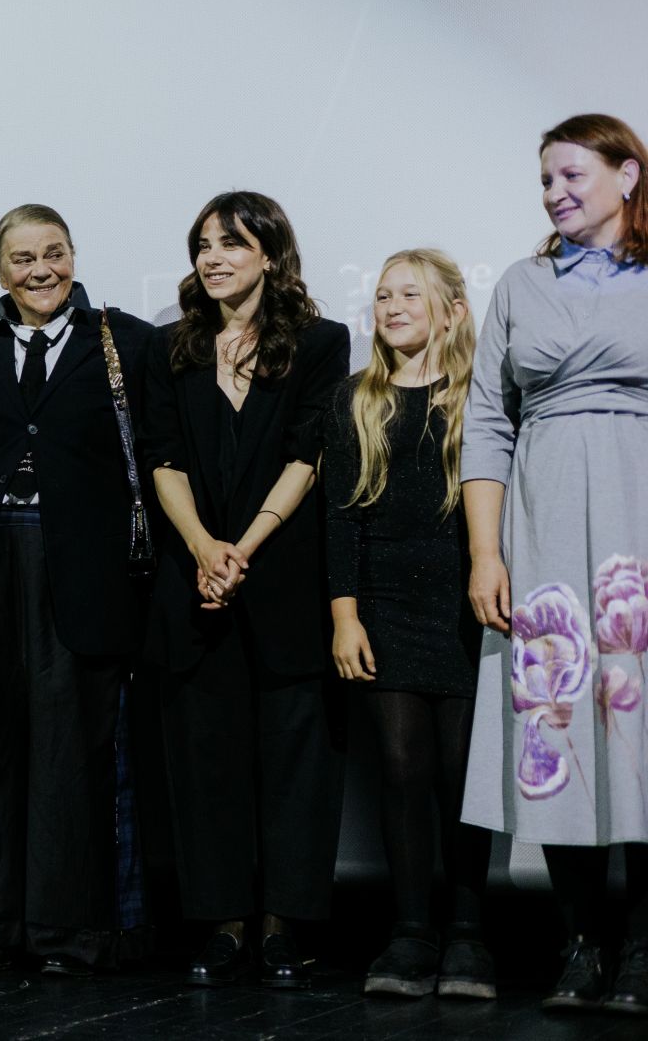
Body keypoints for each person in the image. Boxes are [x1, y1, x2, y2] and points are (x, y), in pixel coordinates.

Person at [0, 205, 154, 975]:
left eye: (53, 254)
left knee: (66, 757)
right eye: (22, 258)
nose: (40, 270)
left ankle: (65, 935)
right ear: (0, 272)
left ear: (74, 258)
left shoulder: (126, 346)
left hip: (78, 577)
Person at [462, 113, 648, 1015]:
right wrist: (485, 552)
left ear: (627, 176)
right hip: (542, 526)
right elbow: (488, 424)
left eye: (572, 175)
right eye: (545, 181)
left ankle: (645, 944)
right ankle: (582, 941)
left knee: (643, 724)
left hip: (639, 521)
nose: (556, 193)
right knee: (558, 720)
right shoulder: (519, 284)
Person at [143, 190, 350, 988]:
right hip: (193, 580)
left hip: (287, 577)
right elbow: (162, 458)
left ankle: (284, 924)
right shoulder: (172, 348)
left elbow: (309, 454)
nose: (214, 257)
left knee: (298, 759)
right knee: (205, 758)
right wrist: (202, 547)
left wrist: (242, 551)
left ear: (269, 253)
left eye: (231, 242)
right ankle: (223, 921)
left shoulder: (321, 343)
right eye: (203, 244)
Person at [327, 250, 496, 999]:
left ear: (451, 309)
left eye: (410, 295)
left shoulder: (481, 399)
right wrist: (345, 615)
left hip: (464, 607)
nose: (392, 306)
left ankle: (467, 935)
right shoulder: (356, 398)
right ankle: (410, 932)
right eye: (384, 295)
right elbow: (340, 519)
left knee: (463, 775)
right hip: (385, 607)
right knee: (401, 769)